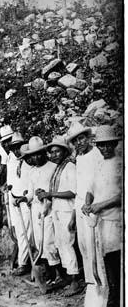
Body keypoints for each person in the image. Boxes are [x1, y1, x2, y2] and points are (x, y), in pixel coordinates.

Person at [82, 125, 122, 307]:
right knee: (104, 258)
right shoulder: (98, 165)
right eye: (101, 145)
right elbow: (90, 189)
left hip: (115, 219)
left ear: (114, 144)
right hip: (100, 221)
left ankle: (119, 295)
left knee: (116, 258)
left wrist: (101, 205)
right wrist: (87, 202)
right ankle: (111, 293)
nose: (105, 148)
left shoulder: (120, 164)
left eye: (108, 145)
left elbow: (121, 196)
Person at [38, 136, 80, 295]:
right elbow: (57, 191)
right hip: (57, 209)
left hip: (67, 211)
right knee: (60, 243)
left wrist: (51, 193)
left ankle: (75, 280)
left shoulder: (69, 166)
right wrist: (46, 194)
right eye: (52, 152)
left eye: (57, 151)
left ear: (64, 151)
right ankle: (68, 277)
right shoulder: (58, 168)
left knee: (67, 244)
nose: (54, 155)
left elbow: (72, 191)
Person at [18, 137, 60, 283]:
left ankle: (59, 274)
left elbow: (55, 190)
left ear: (44, 152)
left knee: (50, 242)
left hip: (50, 208)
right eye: (33, 155)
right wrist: (24, 199)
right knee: (39, 242)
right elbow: (30, 193)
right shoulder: (32, 172)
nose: (36, 157)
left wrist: (47, 200)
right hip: (36, 209)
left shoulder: (53, 167)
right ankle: (48, 274)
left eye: (39, 153)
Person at [66, 122, 103, 285]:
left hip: (93, 206)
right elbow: (78, 189)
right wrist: (73, 216)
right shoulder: (79, 158)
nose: (78, 143)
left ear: (88, 138)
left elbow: (100, 184)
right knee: (83, 246)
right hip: (80, 206)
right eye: (75, 141)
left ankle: (102, 282)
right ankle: (90, 284)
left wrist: (91, 204)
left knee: (94, 245)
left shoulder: (97, 155)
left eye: (81, 139)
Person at [5, 132, 32, 276]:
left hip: (26, 200)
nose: (16, 150)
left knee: (26, 232)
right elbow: (11, 179)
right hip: (13, 199)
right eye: (14, 147)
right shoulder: (11, 160)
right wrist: (6, 187)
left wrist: (26, 196)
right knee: (18, 231)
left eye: (19, 147)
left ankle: (24, 263)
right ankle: (23, 260)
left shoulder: (29, 160)